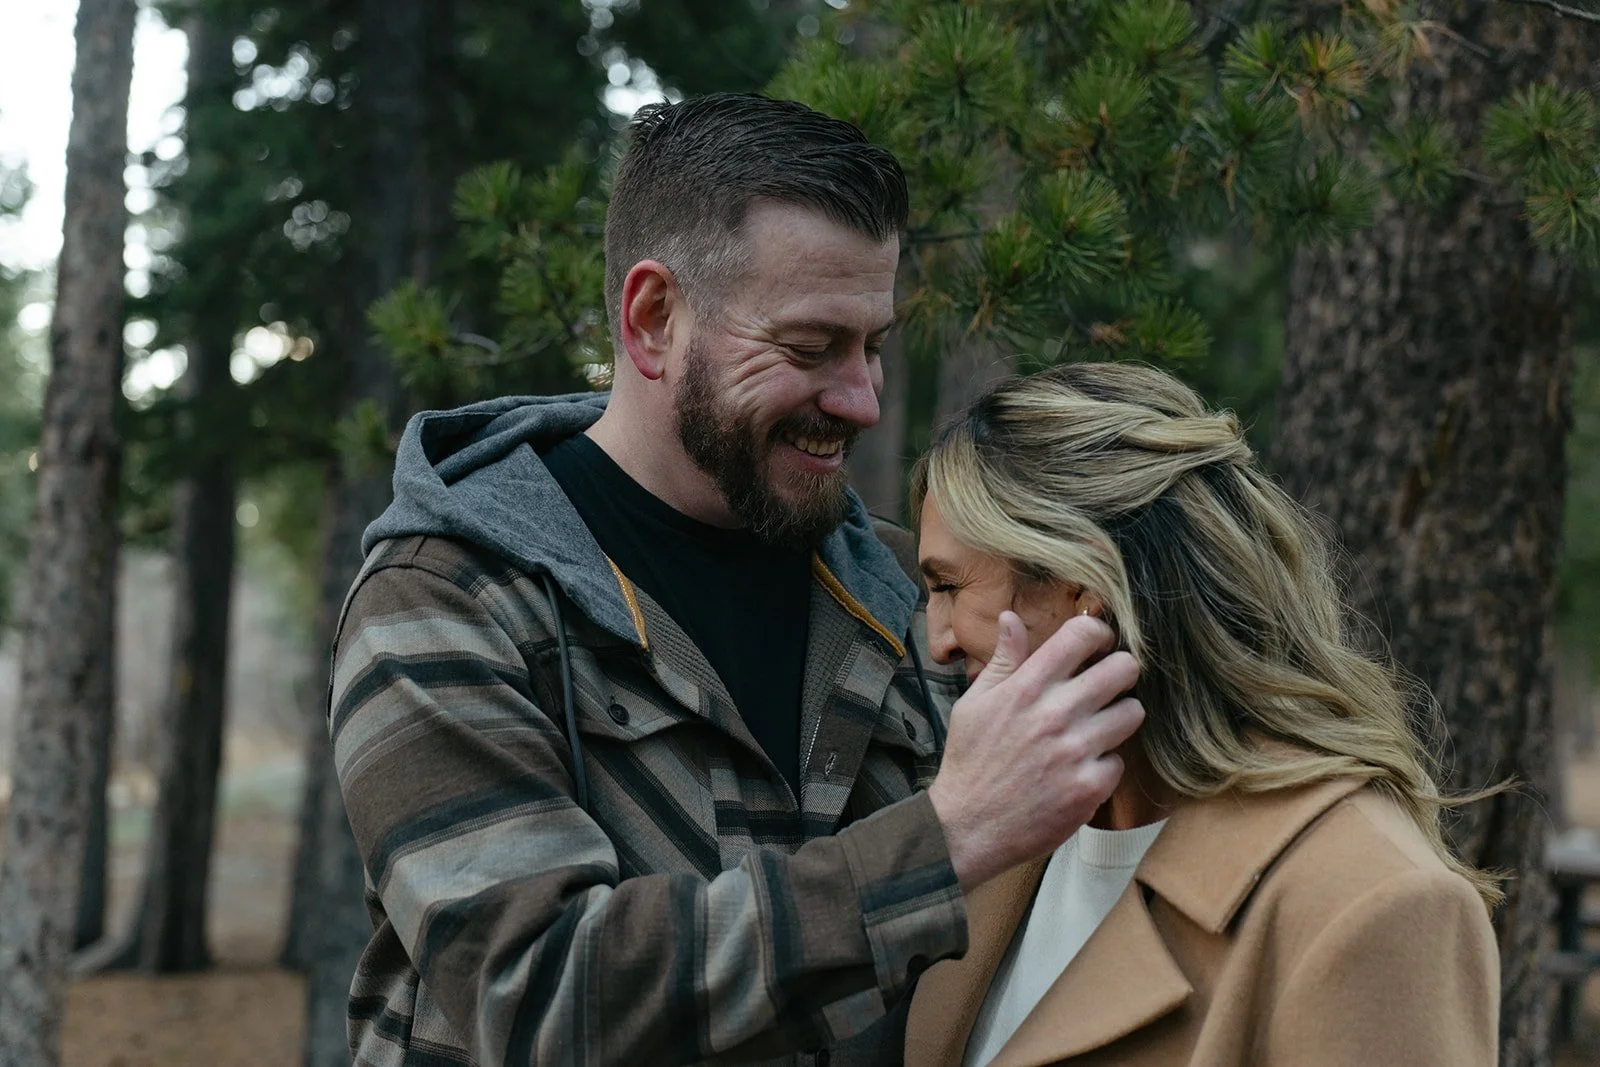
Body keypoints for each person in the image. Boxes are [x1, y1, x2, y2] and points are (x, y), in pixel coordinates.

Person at [328, 93, 1145, 1067]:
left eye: (874, 344)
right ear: (653, 319)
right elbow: (538, 997)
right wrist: (948, 836)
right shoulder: (446, 599)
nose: (863, 400)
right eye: (810, 348)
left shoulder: (895, 588)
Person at [904, 361, 1501, 1067]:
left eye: (947, 585)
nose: (936, 640)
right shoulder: (999, 840)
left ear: (1082, 586)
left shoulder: (1374, 904)